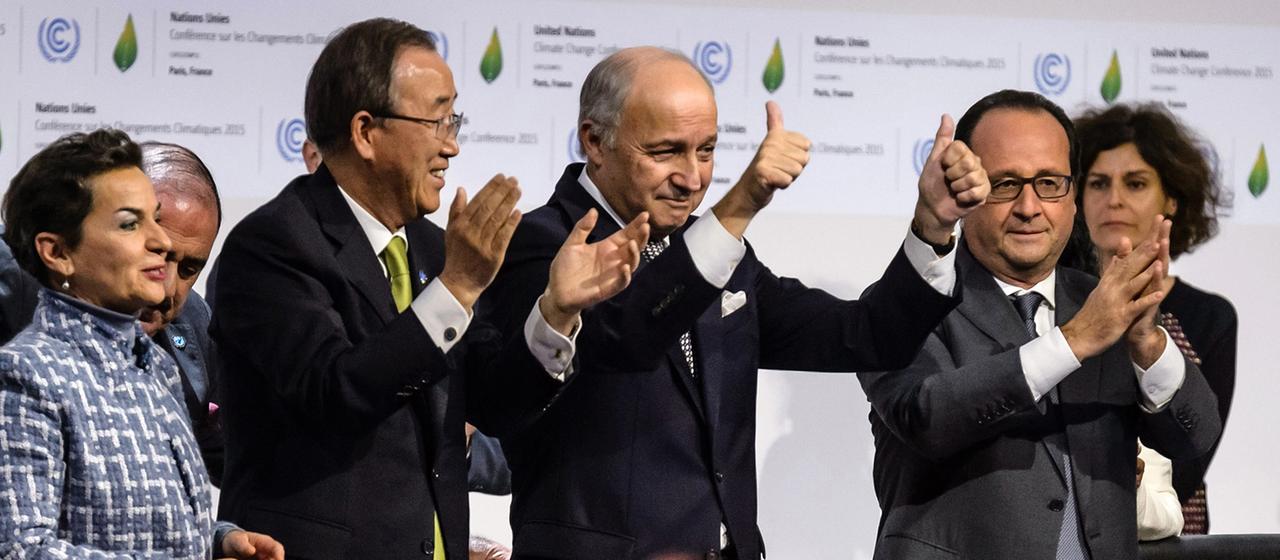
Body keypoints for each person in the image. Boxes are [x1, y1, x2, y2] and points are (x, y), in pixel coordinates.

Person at [481, 47, 990, 559]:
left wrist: (933, 226)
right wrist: (740, 204)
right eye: (665, 152)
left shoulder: (723, 256)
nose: (692, 178)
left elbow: (864, 336)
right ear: (594, 140)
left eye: (706, 151)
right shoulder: (541, 244)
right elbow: (626, 335)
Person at [210, 18, 644, 560]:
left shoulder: (433, 248)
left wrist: (554, 313)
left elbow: (493, 406)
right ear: (366, 132)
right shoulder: (273, 246)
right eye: (438, 121)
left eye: (454, 121)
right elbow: (335, 395)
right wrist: (457, 287)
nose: (453, 147)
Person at [857, 89, 1222, 559]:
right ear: (965, 193)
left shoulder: (1103, 302)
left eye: (1050, 183)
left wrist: (1147, 342)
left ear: (1072, 198)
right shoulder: (905, 304)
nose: (1030, 207)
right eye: (1005, 184)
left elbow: (1195, 438)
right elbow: (927, 418)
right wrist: (1073, 341)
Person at [0, 129, 281, 559]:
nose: (160, 243)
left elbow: (142, 518)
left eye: (188, 266)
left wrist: (217, 539)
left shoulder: (160, 367)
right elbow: (20, 549)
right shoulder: (24, 374)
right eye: (131, 223)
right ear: (58, 253)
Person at [0, 141, 229, 485]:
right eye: (155, 252)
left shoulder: (193, 322)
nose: (167, 289)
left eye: (189, 268)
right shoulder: (19, 279)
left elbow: (219, 457)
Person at [1070, 102, 1236, 534]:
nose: (1114, 199)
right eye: (1099, 183)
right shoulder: (1052, 302)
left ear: (1172, 200)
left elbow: (1192, 456)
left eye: (1136, 183)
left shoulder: (1209, 318)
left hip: (1166, 537)